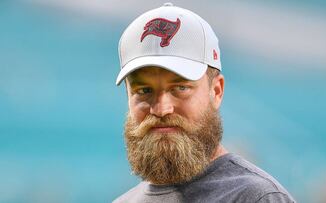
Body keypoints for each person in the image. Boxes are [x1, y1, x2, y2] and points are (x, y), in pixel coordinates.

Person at [113, 3, 296, 203]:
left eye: (180, 88)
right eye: (144, 90)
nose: (161, 109)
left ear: (216, 91)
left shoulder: (256, 198)